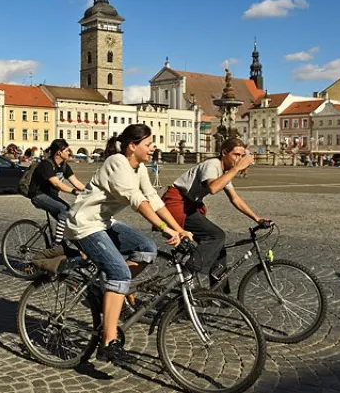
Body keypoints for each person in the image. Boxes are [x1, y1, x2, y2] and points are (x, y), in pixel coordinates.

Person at [65, 124, 192, 364]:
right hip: (84, 224)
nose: (153, 148)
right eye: (148, 144)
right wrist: (165, 229)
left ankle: (111, 290)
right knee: (120, 272)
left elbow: (153, 198)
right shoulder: (116, 162)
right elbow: (138, 201)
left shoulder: (139, 167)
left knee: (147, 250)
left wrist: (179, 228)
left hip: (103, 222)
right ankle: (108, 344)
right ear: (133, 146)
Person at [161, 137, 267, 294]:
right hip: (176, 203)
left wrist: (257, 218)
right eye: (236, 154)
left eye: (241, 155)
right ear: (224, 153)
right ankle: (188, 273)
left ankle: (219, 295)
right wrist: (237, 169)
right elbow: (213, 188)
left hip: (190, 206)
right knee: (216, 236)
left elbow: (235, 199)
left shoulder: (225, 171)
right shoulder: (212, 165)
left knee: (217, 247)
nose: (239, 159)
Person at [28, 139, 86, 247]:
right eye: (67, 150)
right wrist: (73, 191)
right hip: (38, 195)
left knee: (69, 216)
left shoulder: (64, 166)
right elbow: (57, 184)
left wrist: (90, 191)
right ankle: (57, 243)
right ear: (59, 152)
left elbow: (76, 182)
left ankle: (65, 245)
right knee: (64, 209)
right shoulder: (46, 165)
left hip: (51, 196)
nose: (69, 153)